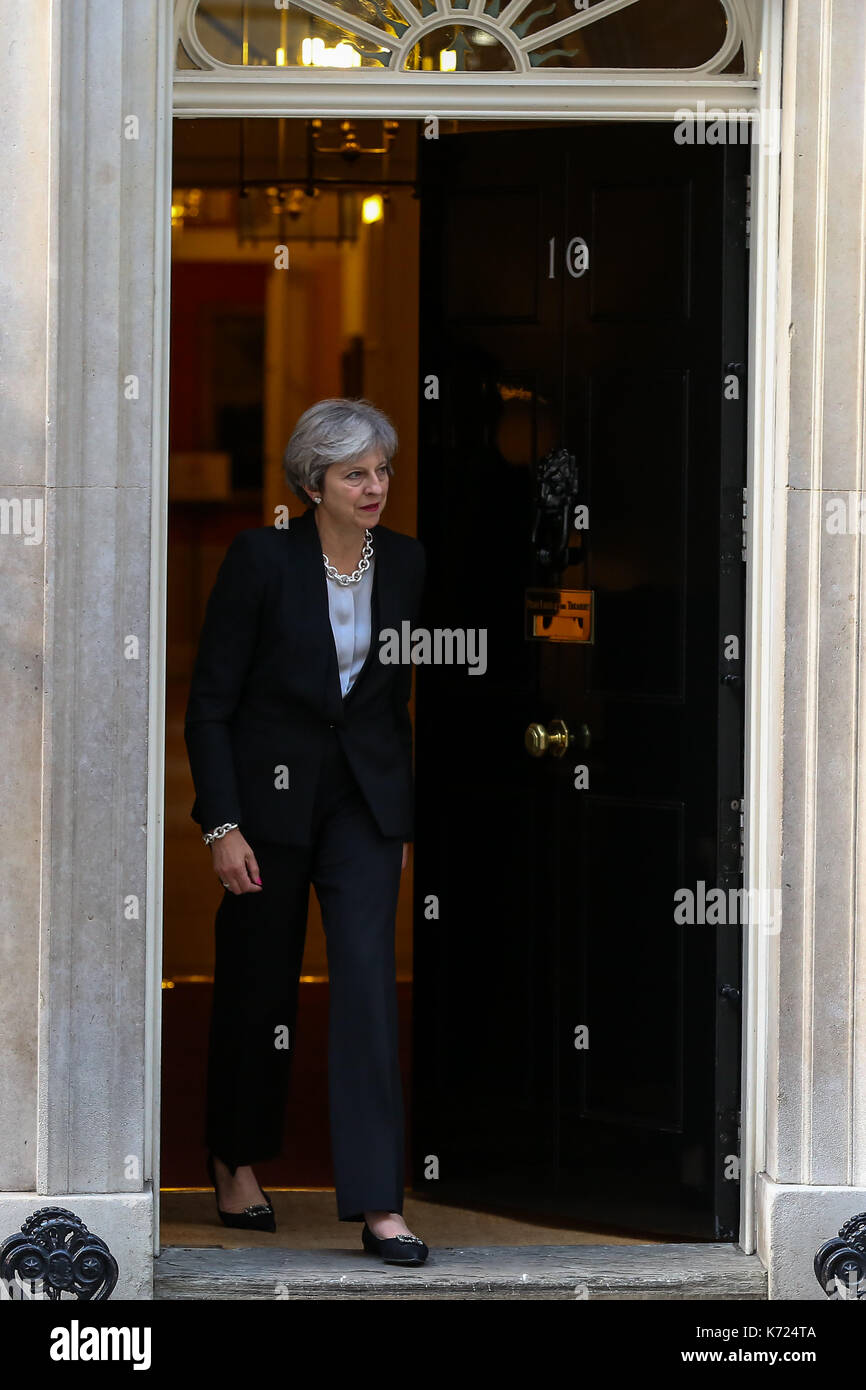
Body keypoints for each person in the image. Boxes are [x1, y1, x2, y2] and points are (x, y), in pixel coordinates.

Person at [184, 397, 428, 1266]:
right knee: (260, 986)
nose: (375, 487)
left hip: (361, 808)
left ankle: (377, 1205)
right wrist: (223, 823)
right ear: (311, 483)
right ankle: (235, 1160)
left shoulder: (405, 564)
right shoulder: (260, 559)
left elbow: (390, 703)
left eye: (382, 470)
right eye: (354, 473)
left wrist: (396, 813)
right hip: (265, 809)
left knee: (366, 988)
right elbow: (210, 704)